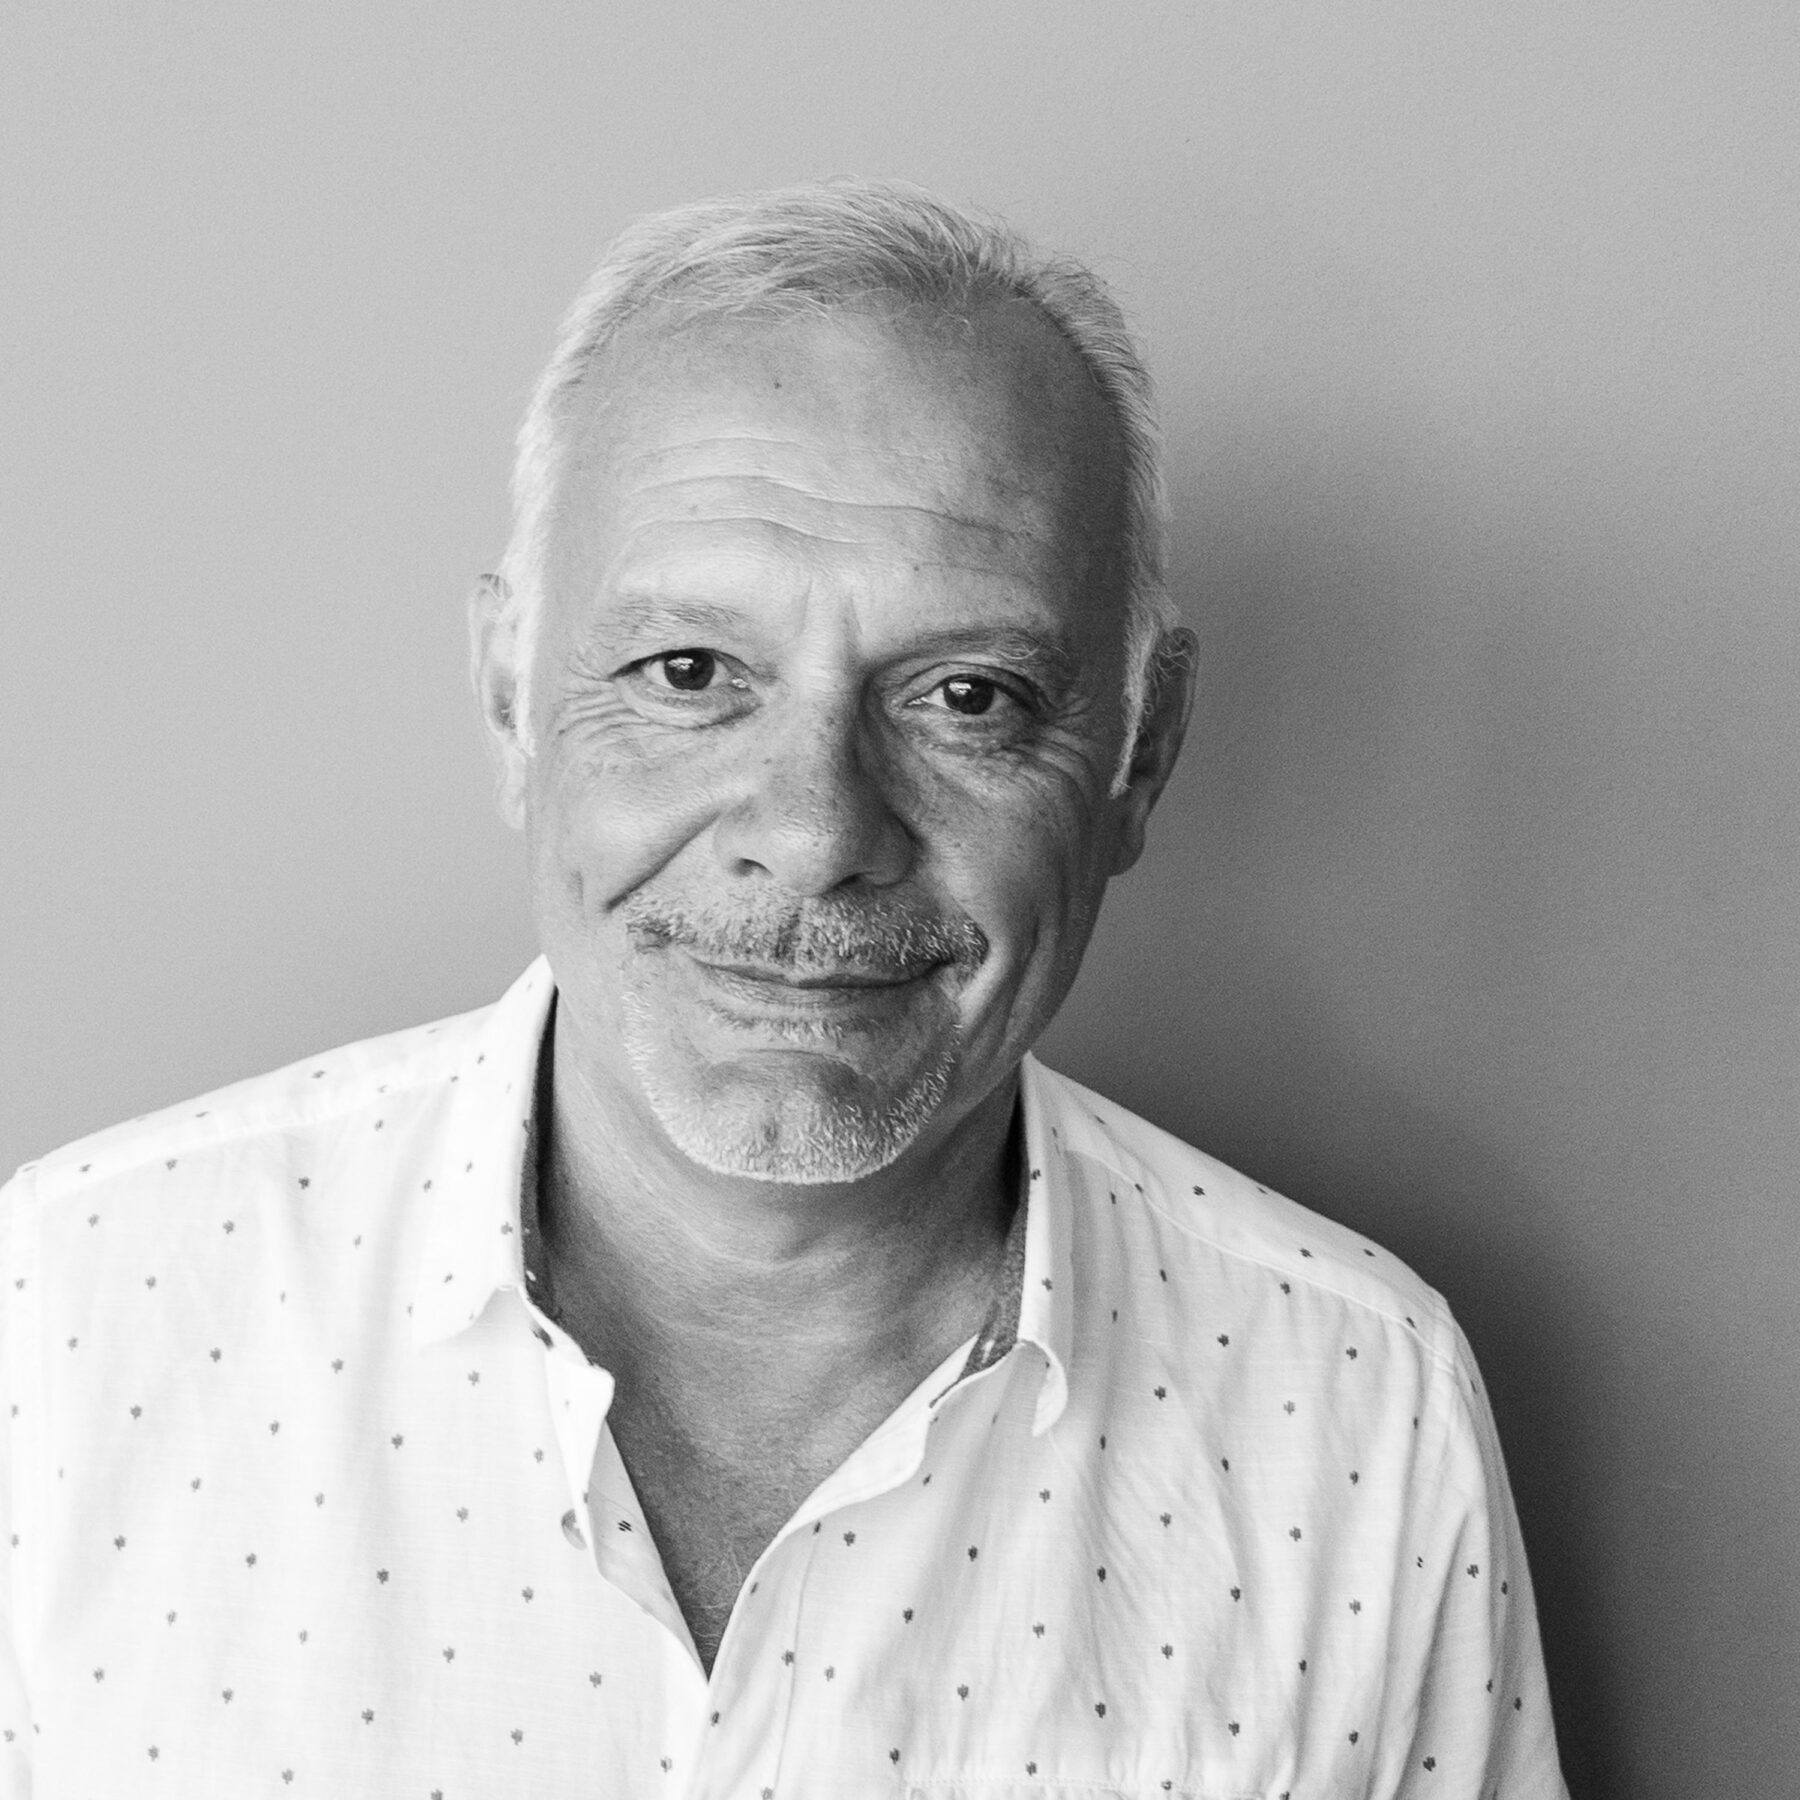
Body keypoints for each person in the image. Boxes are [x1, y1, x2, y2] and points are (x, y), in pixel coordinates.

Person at [0, 180, 1567, 1798]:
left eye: (969, 696)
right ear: (508, 697)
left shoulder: (1358, 1406)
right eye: (689, 673)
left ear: (1141, 752)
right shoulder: (60, 1325)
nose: (817, 835)